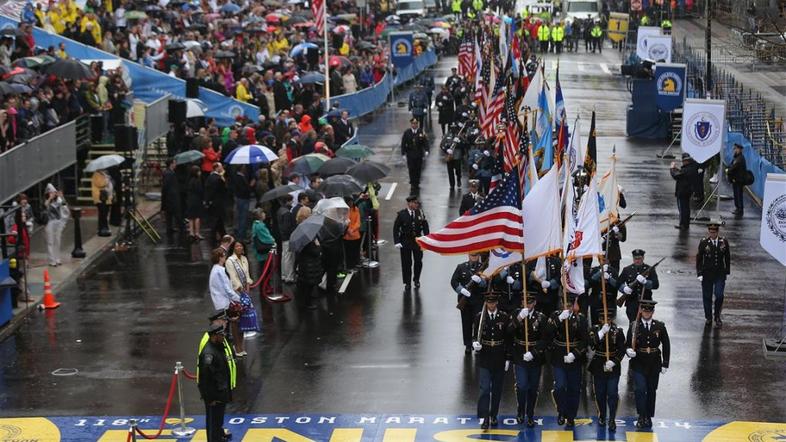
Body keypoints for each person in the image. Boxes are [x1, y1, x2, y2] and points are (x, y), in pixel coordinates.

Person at [544, 291, 589, 428]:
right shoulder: (555, 316)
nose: (567, 308)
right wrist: (559, 320)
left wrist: (575, 354)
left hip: (574, 358)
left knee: (574, 389)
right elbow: (547, 334)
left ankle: (571, 416)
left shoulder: (580, 319)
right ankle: (561, 411)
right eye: (565, 305)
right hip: (559, 356)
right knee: (560, 386)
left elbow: (585, 341)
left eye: (570, 305)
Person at [626, 300, 670, 429]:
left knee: (651, 390)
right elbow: (628, 344)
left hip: (654, 362)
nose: (646, 313)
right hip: (639, 362)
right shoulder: (635, 326)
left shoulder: (659, 326)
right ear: (641, 311)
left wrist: (665, 363)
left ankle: (648, 416)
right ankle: (641, 415)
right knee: (640, 389)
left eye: (649, 311)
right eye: (644, 311)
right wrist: (629, 351)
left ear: (652, 312)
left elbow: (666, 344)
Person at [471, 293, 510, 430]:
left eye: (493, 303)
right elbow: (474, 335)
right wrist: (475, 343)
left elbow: (508, 339)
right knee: (485, 389)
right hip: (485, 357)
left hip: (499, 357)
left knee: (497, 389)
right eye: (489, 303)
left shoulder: (504, 317)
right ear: (486, 302)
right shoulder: (480, 317)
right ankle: (484, 418)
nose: (491, 305)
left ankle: (494, 414)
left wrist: (508, 358)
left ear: (497, 303)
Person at [508, 293, 547, 427]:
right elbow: (508, 332)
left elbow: (544, 340)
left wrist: (534, 352)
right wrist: (519, 319)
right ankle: (520, 409)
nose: (528, 305)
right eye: (525, 302)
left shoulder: (541, 318)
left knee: (533, 388)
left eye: (530, 302)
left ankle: (530, 413)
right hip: (520, 354)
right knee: (522, 385)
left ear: (534, 303)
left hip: (535, 356)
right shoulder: (516, 314)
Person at [588, 306, 625, 432]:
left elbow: (621, 350)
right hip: (599, 364)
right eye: (603, 319)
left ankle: (612, 418)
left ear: (612, 319)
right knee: (600, 393)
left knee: (612, 393)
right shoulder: (595, 330)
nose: (606, 321)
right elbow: (592, 345)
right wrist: (601, 333)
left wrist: (614, 362)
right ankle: (602, 415)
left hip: (613, 366)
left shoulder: (618, 331)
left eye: (608, 319)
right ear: (599, 319)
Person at [198, 324, 233, 442]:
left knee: (218, 423)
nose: (224, 337)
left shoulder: (218, 347)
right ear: (214, 336)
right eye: (221, 335)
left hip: (220, 394)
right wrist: (210, 399)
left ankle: (219, 438)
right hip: (214, 397)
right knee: (213, 425)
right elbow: (205, 379)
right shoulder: (209, 354)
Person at [208, 248, 243, 356]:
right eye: (223, 256)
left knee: (223, 328)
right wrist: (239, 299)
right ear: (219, 258)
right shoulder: (220, 271)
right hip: (222, 303)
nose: (225, 258)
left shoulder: (215, 270)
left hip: (219, 302)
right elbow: (227, 290)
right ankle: (224, 352)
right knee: (224, 328)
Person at [450, 252, 488, 354]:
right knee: (466, 322)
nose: (474, 258)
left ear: (479, 256)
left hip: (478, 300)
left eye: (476, 256)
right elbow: (453, 281)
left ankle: (477, 342)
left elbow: (487, 283)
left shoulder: (483, 268)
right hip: (465, 301)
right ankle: (468, 344)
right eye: (472, 256)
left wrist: (481, 282)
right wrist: (461, 290)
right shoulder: (461, 267)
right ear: (468, 256)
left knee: (478, 323)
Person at [696, 220, 731, 327]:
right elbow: (699, 258)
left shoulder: (723, 242)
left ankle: (717, 316)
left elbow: (727, 256)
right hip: (707, 273)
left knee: (719, 295)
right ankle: (709, 317)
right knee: (707, 296)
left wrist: (727, 270)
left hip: (719, 273)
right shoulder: (704, 242)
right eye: (710, 232)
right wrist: (699, 273)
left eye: (714, 232)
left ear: (717, 232)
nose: (712, 234)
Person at [393, 195, 429, 291]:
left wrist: (426, 237)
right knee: (406, 263)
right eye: (415, 203)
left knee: (418, 261)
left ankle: (416, 279)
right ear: (409, 203)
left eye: (417, 203)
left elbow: (425, 226)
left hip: (417, 241)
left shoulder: (420, 212)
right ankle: (407, 282)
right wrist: (397, 241)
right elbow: (396, 228)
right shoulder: (402, 214)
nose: (417, 204)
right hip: (405, 241)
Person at [226, 241, 260, 341]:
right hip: (236, 290)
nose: (239, 247)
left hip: (245, 288)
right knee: (238, 308)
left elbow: (247, 275)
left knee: (246, 308)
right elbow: (233, 277)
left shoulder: (244, 259)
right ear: (233, 248)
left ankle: (247, 328)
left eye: (241, 246)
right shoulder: (230, 261)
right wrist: (240, 289)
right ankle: (239, 331)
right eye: (237, 246)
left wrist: (248, 287)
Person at [618, 249, 659, 322]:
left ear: (643, 258)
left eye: (639, 258)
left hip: (646, 303)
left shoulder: (649, 269)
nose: (637, 260)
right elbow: (618, 283)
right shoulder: (627, 269)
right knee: (632, 324)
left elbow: (656, 285)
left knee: (645, 324)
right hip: (631, 302)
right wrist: (624, 288)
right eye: (635, 259)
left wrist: (646, 282)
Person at [670, 153, 699, 229]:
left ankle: (683, 224)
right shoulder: (692, 167)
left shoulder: (686, 169)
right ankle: (686, 224)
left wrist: (672, 168)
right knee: (686, 208)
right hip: (688, 191)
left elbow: (676, 176)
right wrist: (677, 169)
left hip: (682, 191)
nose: (683, 162)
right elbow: (682, 173)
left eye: (684, 161)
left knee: (682, 209)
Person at [401, 118, 429, 192]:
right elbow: (403, 143)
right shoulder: (407, 132)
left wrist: (426, 150)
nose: (414, 125)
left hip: (419, 153)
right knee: (411, 169)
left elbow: (425, 142)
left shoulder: (421, 132)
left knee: (418, 169)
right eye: (413, 123)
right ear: (411, 124)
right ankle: (412, 183)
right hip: (410, 154)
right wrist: (403, 153)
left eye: (416, 123)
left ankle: (417, 182)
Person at [44, 183, 67, 267]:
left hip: (58, 222)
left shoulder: (58, 200)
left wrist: (61, 196)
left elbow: (64, 205)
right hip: (49, 222)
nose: (52, 194)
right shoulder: (47, 200)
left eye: (53, 192)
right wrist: (50, 198)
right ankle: (52, 260)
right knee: (50, 241)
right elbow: (45, 205)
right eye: (50, 192)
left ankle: (57, 258)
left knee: (57, 240)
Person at [295, 238, 323, 310]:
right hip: (310, 266)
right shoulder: (309, 242)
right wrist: (318, 245)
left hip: (303, 265)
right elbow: (316, 252)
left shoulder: (299, 241)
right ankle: (307, 304)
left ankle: (305, 301)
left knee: (305, 285)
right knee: (309, 285)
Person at [205, 162, 228, 244]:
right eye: (221, 167)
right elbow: (224, 189)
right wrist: (223, 178)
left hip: (213, 202)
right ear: (217, 168)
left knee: (218, 220)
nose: (222, 168)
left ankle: (223, 234)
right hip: (218, 202)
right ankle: (214, 237)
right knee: (216, 220)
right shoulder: (218, 178)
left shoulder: (210, 177)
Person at [276, 194, 297, 283]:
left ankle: (284, 275)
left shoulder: (280, 210)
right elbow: (287, 227)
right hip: (288, 238)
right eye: (291, 200)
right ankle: (289, 277)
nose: (292, 202)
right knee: (289, 258)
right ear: (287, 201)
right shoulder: (287, 213)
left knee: (284, 257)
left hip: (283, 237)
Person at [231, 165, 255, 242]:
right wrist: (250, 186)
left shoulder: (239, 176)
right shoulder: (239, 177)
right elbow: (243, 189)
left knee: (242, 217)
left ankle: (241, 234)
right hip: (243, 199)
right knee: (243, 217)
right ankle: (241, 236)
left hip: (241, 199)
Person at [726, 143, 748, 216]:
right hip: (735, 179)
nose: (734, 150)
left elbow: (733, 167)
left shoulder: (740, 158)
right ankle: (737, 208)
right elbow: (731, 165)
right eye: (734, 149)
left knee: (738, 195)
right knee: (736, 194)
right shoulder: (736, 157)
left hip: (739, 180)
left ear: (739, 149)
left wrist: (728, 170)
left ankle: (740, 209)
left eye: (736, 149)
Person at [161, 159, 182, 234]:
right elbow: (166, 186)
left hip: (170, 196)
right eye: (174, 163)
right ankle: (179, 227)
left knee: (170, 214)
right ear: (171, 164)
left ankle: (170, 228)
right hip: (171, 197)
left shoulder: (170, 172)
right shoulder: (169, 173)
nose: (175, 164)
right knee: (175, 213)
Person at [91, 169, 113, 237]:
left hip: (106, 198)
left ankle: (104, 228)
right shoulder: (96, 175)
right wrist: (107, 180)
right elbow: (100, 184)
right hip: (100, 198)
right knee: (102, 213)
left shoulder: (104, 174)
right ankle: (103, 229)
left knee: (105, 213)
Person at [185, 165, 204, 240]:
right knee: (197, 217)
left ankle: (191, 232)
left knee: (191, 217)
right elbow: (200, 191)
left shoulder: (190, 180)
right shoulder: (197, 180)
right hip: (197, 200)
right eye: (199, 171)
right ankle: (197, 233)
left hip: (190, 200)